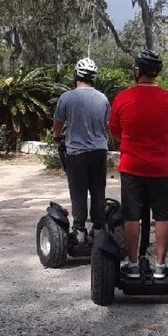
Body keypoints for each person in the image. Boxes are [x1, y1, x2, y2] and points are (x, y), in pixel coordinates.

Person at [109, 49, 168, 279]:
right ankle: (160, 266)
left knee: (131, 215)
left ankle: (132, 264)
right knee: (162, 215)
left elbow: (115, 132)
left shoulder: (124, 98)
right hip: (160, 167)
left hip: (132, 167)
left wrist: (135, 140)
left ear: (138, 71)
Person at [52, 57, 111, 243]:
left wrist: (57, 135)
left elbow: (58, 123)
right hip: (99, 151)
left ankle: (79, 230)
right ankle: (99, 228)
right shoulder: (102, 98)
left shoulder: (67, 97)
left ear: (76, 74)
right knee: (97, 189)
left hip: (76, 152)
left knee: (78, 191)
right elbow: (108, 124)